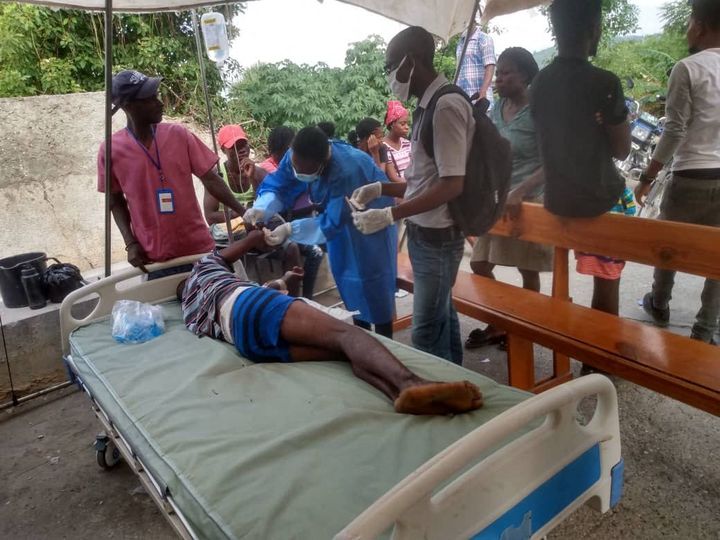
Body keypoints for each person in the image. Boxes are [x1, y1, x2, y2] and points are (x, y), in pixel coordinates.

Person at [177, 229, 483, 415]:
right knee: (347, 335)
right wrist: (259, 236)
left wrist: (285, 282)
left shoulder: (192, 314)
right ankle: (411, 383)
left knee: (342, 352)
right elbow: (246, 248)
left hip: (245, 341)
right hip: (249, 305)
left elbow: (260, 303)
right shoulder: (205, 269)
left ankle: (400, 396)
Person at [351, 26, 475, 364]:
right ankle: (460, 386)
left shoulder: (446, 105)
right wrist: (380, 189)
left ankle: (439, 403)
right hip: (425, 235)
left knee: (424, 332)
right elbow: (423, 182)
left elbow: (452, 185)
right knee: (442, 318)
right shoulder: (426, 107)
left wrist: (391, 214)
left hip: (439, 237)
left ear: (412, 60)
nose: (389, 74)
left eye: (392, 65)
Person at [243, 126, 398, 338]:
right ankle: (362, 338)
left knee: (374, 290)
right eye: (296, 166)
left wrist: (290, 229)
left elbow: (330, 223)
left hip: (371, 229)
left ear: (322, 163)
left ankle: (385, 343)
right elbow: (281, 183)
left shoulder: (347, 171)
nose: (298, 172)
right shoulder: (297, 154)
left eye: (305, 171)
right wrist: (263, 206)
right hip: (338, 228)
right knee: (350, 286)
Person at [530, 0, 631, 318]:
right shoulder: (605, 82)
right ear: (594, 29)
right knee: (607, 283)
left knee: (564, 283)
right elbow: (622, 151)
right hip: (599, 200)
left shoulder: (540, 83)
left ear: (555, 30)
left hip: (557, 200)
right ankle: (596, 359)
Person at [97, 70, 246, 279]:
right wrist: (130, 243)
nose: (160, 103)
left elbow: (211, 179)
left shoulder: (179, 135)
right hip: (154, 258)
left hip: (199, 250)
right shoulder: (111, 150)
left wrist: (244, 212)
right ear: (129, 106)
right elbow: (114, 200)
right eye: (150, 99)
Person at [635, 0, 720, 345]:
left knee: (668, 245)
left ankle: (659, 304)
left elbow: (675, 131)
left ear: (699, 26)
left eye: (688, 23)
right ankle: (705, 329)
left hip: (691, 177)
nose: (687, 29)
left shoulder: (688, 67)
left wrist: (647, 176)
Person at [465, 47, 553, 350]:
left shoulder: (541, 112)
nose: (498, 78)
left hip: (529, 204)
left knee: (527, 269)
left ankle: (524, 329)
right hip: (497, 200)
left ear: (525, 76)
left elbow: (554, 162)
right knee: (479, 264)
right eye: (498, 72)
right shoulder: (496, 108)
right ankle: (503, 321)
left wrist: (521, 190)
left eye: (506, 73)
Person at [204, 124, 267, 242]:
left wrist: (253, 179)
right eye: (235, 147)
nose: (242, 150)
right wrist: (238, 213)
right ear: (223, 150)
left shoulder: (260, 173)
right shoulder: (217, 176)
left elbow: (268, 205)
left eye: (244, 145)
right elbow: (210, 217)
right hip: (228, 233)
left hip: (253, 228)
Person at [456, 18, 496, 106]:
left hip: (480, 99)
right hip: (464, 101)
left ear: (473, 21)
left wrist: (483, 91)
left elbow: (490, 66)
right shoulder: (460, 42)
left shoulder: (484, 39)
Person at [354, 117, 403, 183]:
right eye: (379, 137)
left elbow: (379, 177)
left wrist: (375, 154)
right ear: (369, 138)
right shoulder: (355, 154)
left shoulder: (382, 148)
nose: (382, 141)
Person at [383, 100, 412, 179]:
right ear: (392, 124)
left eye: (407, 123)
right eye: (403, 124)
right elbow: (394, 179)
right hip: (399, 189)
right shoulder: (383, 147)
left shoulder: (407, 144)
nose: (407, 127)